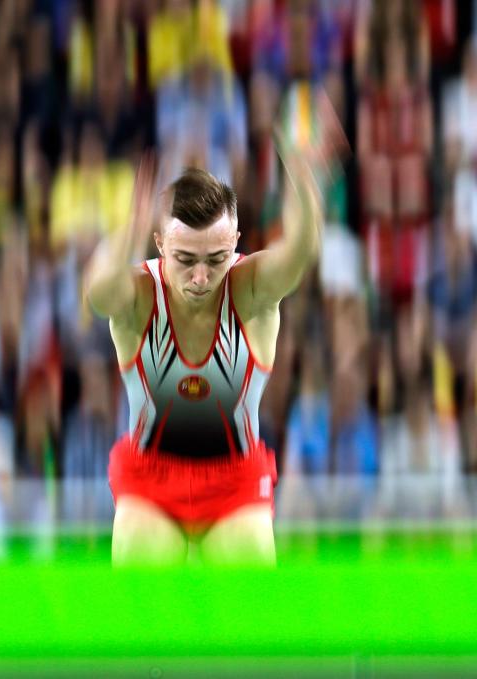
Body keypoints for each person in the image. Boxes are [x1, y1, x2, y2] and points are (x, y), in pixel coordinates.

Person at [85, 94, 342, 567]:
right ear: (160, 243)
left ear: (236, 243)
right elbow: (98, 292)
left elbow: (301, 250)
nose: (201, 277)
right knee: (140, 614)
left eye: (216, 259)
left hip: (235, 483)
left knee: (247, 623)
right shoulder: (141, 296)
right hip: (149, 481)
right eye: (184, 260)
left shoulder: (249, 291)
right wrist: (128, 230)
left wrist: (302, 174)